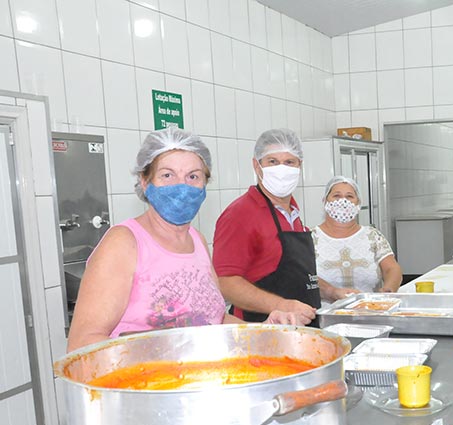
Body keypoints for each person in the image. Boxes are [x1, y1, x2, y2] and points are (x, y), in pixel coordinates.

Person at [67, 128, 292, 352]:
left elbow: (215, 321)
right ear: (145, 181)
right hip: (146, 375)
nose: (182, 187)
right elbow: (82, 344)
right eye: (167, 175)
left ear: (205, 184)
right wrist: (170, 346)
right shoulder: (124, 243)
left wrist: (261, 332)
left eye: (193, 176)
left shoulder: (197, 241)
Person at [213, 128, 339, 326]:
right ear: (257, 166)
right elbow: (225, 282)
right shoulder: (239, 214)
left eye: (289, 162)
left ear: (300, 165)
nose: (282, 169)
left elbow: (299, 276)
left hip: (303, 329)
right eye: (272, 161)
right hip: (262, 332)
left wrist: (332, 292)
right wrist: (283, 305)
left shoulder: (293, 213)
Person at [312, 176, 402, 302]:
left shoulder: (372, 236)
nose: (343, 201)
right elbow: (305, 277)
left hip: (370, 308)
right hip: (324, 311)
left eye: (349, 196)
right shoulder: (310, 238)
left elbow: (391, 268)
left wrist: (389, 289)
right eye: (336, 195)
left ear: (358, 204)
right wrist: (332, 292)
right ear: (325, 201)